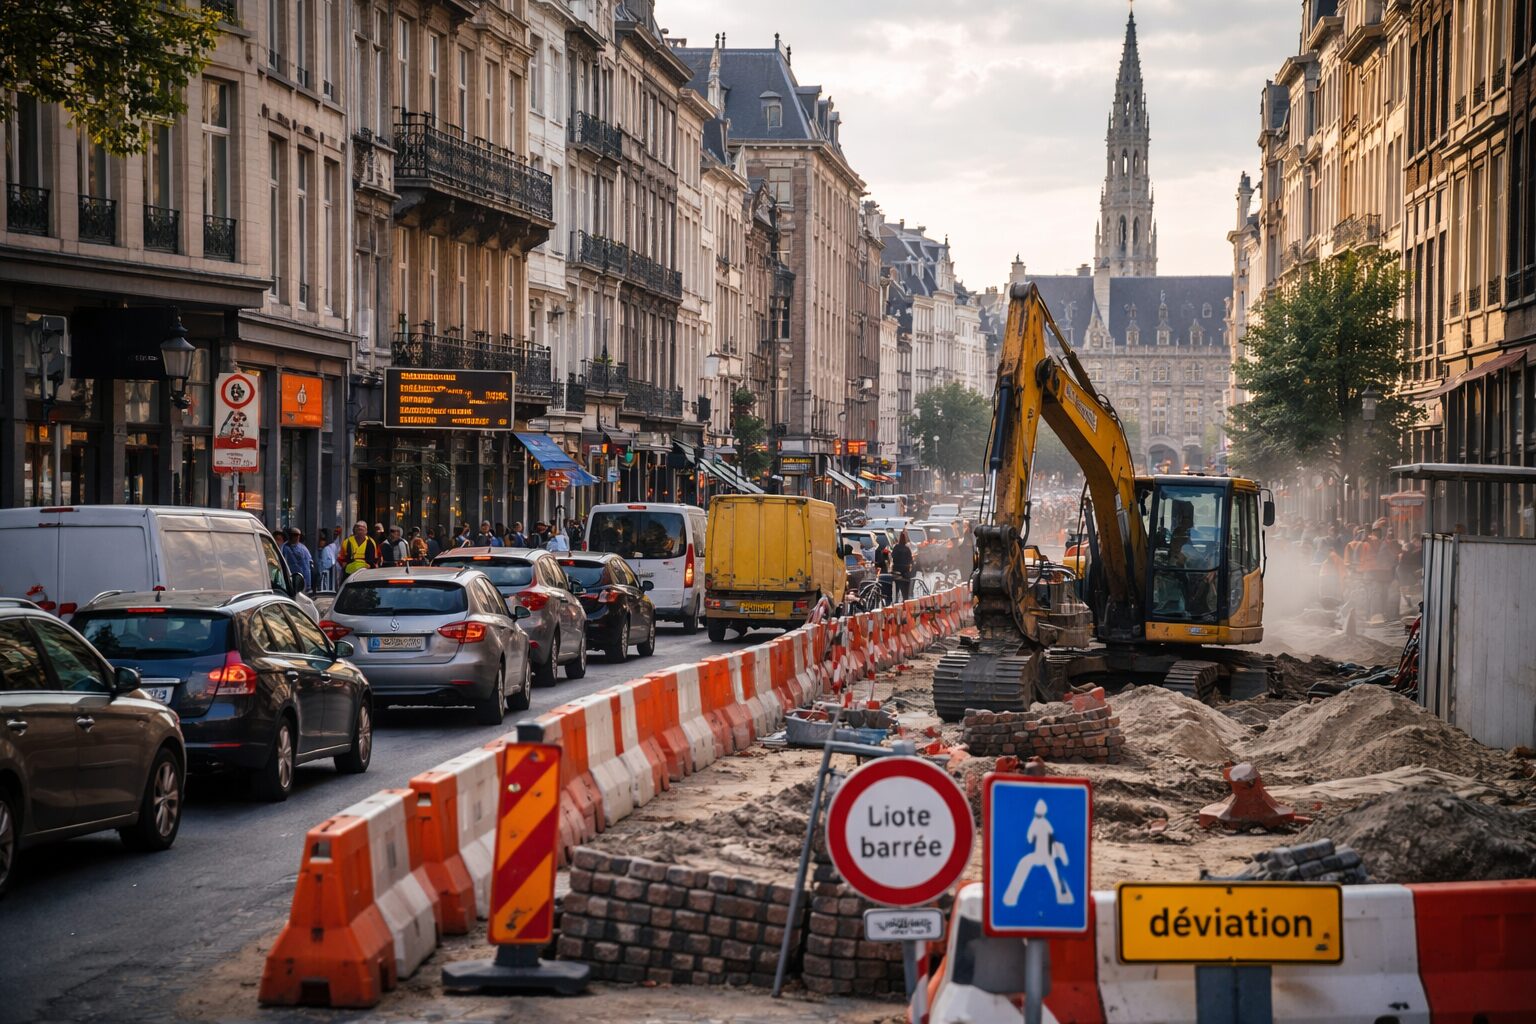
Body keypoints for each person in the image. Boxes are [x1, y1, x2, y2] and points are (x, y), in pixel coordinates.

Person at [891, 531, 915, 601]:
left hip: (896, 570)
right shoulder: (907, 549)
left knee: (896, 589)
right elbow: (910, 560)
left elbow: (893, 556)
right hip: (905, 572)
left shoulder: (896, 547)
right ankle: (905, 603)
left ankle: (895, 601)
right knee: (905, 592)